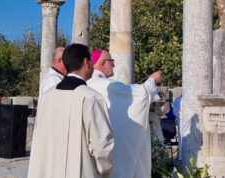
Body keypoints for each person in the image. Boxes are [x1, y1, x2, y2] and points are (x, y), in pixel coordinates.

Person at [28, 44, 114, 178]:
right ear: (86, 63)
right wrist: (105, 170)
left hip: (49, 170)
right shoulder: (91, 98)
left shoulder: (47, 97)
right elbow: (101, 145)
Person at [87, 49, 161, 178]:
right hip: (112, 146)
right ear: (103, 64)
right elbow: (138, 94)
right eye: (112, 61)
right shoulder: (105, 85)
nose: (114, 65)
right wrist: (152, 80)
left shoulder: (87, 84)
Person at [173, 96, 182, 162]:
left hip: (189, 120)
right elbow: (175, 110)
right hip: (181, 121)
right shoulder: (177, 100)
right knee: (181, 138)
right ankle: (180, 156)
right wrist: (182, 115)